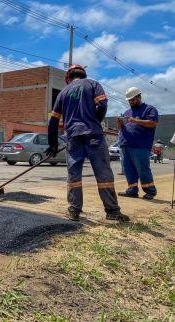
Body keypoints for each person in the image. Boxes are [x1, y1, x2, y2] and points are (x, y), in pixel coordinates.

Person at [46, 64, 129, 222]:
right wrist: (95, 122)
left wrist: (53, 144)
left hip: (73, 137)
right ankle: (112, 211)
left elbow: (53, 121)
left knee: (74, 175)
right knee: (103, 172)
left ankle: (74, 211)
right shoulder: (93, 84)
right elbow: (102, 104)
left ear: (68, 77)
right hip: (94, 135)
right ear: (83, 74)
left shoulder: (63, 92)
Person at [117, 87, 158, 199]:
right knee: (128, 169)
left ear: (139, 97)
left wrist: (136, 120)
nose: (131, 102)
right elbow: (121, 128)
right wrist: (119, 122)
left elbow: (153, 123)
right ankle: (132, 190)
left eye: (133, 99)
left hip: (140, 145)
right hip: (125, 145)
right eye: (130, 100)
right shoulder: (127, 112)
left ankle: (150, 190)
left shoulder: (149, 109)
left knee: (142, 168)